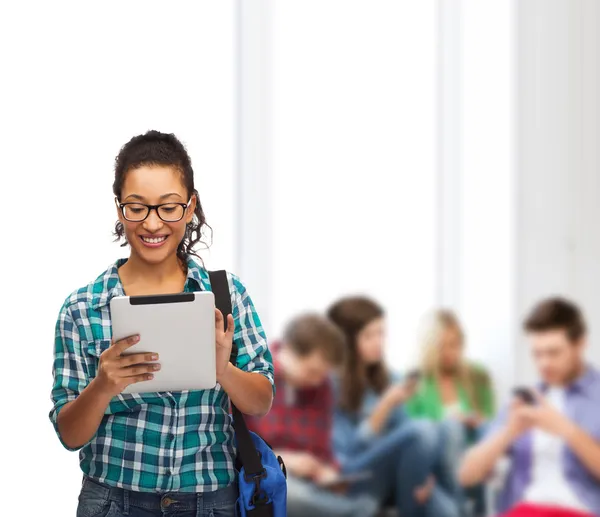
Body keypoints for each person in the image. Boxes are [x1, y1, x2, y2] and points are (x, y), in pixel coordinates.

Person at [49, 131, 275, 517]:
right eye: (137, 207)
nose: (153, 224)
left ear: (190, 207)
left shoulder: (227, 294)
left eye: (168, 207)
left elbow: (262, 401)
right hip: (112, 503)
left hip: (210, 503)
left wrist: (223, 369)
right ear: (120, 209)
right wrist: (103, 386)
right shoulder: (81, 307)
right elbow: (70, 435)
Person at [459, 297, 600, 517]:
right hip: (522, 509)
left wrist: (567, 430)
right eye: (537, 354)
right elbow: (466, 475)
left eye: (554, 353)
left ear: (580, 345)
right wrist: (509, 432)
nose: (544, 363)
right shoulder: (526, 399)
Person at [327, 296, 460, 517]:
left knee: (448, 509)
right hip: (357, 476)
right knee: (423, 430)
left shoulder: (389, 379)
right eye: (369, 335)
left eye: (382, 333)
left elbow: (412, 439)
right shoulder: (330, 385)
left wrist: (425, 474)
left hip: (401, 475)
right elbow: (348, 455)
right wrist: (385, 406)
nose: (379, 342)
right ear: (346, 340)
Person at [247, 313, 378, 517]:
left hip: (310, 480)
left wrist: (328, 472)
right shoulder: (254, 376)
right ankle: (356, 512)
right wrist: (284, 458)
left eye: (323, 374)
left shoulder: (322, 386)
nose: (317, 381)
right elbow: (237, 446)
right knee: (286, 492)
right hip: (268, 474)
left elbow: (322, 446)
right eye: (312, 371)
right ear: (287, 350)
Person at [405, 309, 495, 516]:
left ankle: (480, 508)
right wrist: (447, 422)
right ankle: (462, 508)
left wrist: (476, 420)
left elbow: (491, 420)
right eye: (441, 346)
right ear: (429, 348)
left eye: (455, 345)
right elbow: (413, 433)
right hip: (437, 465)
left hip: (472, 457)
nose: (449, 352)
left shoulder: (477, 376)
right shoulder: (415, 382)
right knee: (451, 427)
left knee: (483, 431)